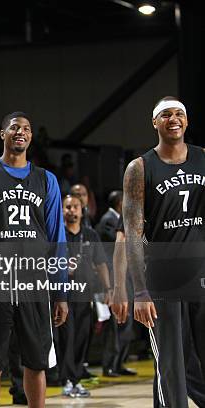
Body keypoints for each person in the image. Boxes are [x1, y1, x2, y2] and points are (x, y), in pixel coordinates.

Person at [0, 111, 68, 408]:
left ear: (31, 137)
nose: (20, 132)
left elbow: (56, 239)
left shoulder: (46, 179)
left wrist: (60, 292)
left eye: (26, 129)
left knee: (37, 362)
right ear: (3, 135)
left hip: (35, 280)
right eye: (14, 128)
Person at [120, 96, 205, 408]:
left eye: (179, 114)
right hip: (163, 279)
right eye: (166, 115)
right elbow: (132, 233)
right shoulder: (140, 168)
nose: (174, 119)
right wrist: (140, 292)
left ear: (187, 121)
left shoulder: (203, 158)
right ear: (154, 122)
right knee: (170, 366)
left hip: (201, 272)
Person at [58, 195, 111, 398]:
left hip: (85, 295)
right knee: (66, 338)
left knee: (82, 337)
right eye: (67, 207)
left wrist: (108, 289)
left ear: (82, 210)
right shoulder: (57, 234)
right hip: (63, 297)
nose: (72, 210)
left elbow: (101, 264)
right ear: (62, 210)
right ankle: (67, 380)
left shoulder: (90, 234)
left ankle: (77, 380)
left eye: (75, 207)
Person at [96, 191, 136, 377]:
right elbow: (121, 245)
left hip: (126, 275)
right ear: (121, 203)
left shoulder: (117, 218)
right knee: (116, 324)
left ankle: (119, 362)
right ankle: (110, 365)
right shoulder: (108, 220)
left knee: (126, 323)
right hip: (114, 275)